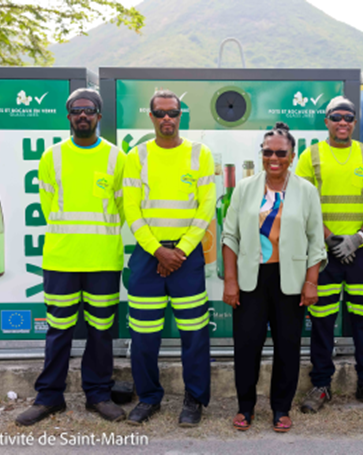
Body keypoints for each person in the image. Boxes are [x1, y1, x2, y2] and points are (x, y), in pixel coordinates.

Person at [16, 89, 127, 426]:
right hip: (61, 259)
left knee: (101, 330)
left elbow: (122, 210)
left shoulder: (116, 158)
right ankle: (49, 397)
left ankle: (98, 394)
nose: (83, 115)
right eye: (76, 110)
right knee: (59, 329)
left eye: (89, 110)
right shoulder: (52, 157)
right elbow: (49, 207)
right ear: (68, 116)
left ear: (98, 116)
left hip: (102, 260)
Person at [222, 122, 327, 433]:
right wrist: (230, 280)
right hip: (251, 279)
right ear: (262, 154)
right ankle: (246, 407)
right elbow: (229, 236)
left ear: (292, 155)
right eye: (267, 152)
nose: (274, 158)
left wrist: (311, 283)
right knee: (247, 345)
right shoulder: (244, 188)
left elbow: (315, 242)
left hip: (291, 280)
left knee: (287, 345)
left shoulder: (306, 191)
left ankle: (281, 408)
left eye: (281, 152)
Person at [122, 90, 215, 427]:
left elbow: (206, 207)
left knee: (194, 333)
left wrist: (180, 250)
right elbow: (130, 208)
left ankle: (195, 399)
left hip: (186, 256)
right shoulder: (138, 155)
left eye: (172, 113)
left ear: (181, 115)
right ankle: (148, 398)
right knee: (144, 335)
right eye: (160, 113)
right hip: (149, 255)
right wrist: (158, 250)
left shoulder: (199, 154)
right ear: (151, 117)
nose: (166, 119)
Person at [296, 96, 363, 413]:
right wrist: (331, 239)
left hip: (362, 253)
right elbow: (302, 203)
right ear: (326, 121)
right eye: (336, 117)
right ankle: (321, 385)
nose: (342, 122)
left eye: (348, 117)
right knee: (322, 321)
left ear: (354, 122)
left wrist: (360, 236)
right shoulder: (309, 156)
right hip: (322, 255)